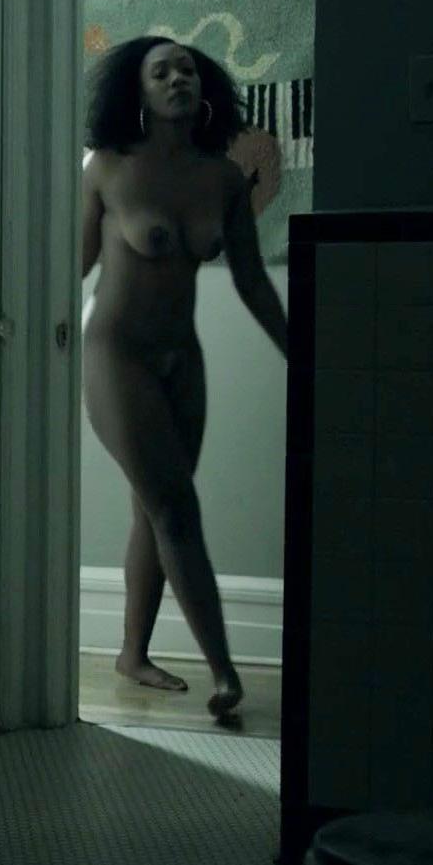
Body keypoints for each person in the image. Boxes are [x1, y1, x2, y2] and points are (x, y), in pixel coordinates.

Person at [81, 36, 290, 723]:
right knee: (176, 509)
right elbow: (68, 266)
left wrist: (302, 354)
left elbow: (254, 283)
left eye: (188, 70)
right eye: (161, 71)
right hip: (116, 355)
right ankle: (225, 673)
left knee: (155, 507)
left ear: (205, 89)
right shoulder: (107, 168)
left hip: (182, 359)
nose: (177, 79)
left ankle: (132, 655)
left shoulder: (223, 179)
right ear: (137, 92)